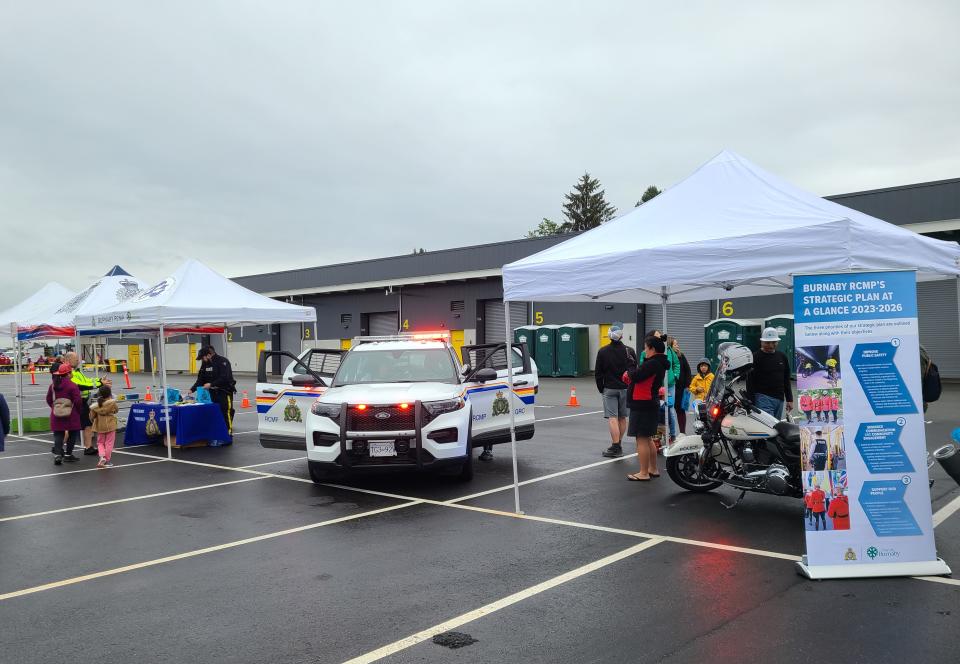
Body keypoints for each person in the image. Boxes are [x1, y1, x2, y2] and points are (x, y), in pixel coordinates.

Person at [624, 336, 669, 481]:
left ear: (652, 349)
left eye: (645, 348)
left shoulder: (653, 363)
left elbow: (635, 376)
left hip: (642, 404)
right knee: (648, 437)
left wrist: (631, 364)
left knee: (641, 438)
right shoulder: (658, 363)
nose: (644, 351)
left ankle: (643, 472)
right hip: (649, 403)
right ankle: (652, 468)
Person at [595, 326, 638, 458]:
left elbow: (598, 373)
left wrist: (601, 388)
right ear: (621, 336)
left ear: (609, 336)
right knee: (622, 417)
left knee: (612, 417)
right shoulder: (629, 351)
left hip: (609, 388)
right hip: (626, 388)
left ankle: (615, 446)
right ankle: (618, 442)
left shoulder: (603, 351)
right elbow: (634, 369)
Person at [64, 351, 111, 455]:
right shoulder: (69, 374)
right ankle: (58, 448)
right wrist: (100, 383)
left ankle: (88, 447)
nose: (78, 361)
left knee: (88, 425)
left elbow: (87, 381)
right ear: (68, 360)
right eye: (76, 359)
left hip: (82, 402)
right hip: (73, 403)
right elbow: (80, 386)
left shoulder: (77, 371)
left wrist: (99, 381)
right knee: (69, 428)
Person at [746, 328, 793, 419]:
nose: (771, 345)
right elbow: (750, 381)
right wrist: (751, 401)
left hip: (780, 399)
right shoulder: (755, 357)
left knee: (776, 426)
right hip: (762, 398)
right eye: (767, 343)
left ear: (777, 342)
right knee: (769, 427)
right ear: (761, 342)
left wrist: (789, 399)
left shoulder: (782, 357)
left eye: (774, 342)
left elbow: (786, 379)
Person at [189, 346, 237, 433]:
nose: (202, 360)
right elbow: (200, 379)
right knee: (213, 413)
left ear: (208, 355)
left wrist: (211, 384)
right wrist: (192, 390)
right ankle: (216, 433)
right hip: (211, 393)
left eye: (203, 358)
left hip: (224, 392)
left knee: (225, 413)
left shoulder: (223, 361)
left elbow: (224, 378)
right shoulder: (205, 364)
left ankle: (227, 435)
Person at [47, 364, 82, 465]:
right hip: (71, 413)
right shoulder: (72, 385)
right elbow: (78, 401)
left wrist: (55, 407)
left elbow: (49, 399)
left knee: (58, 434)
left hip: (56, 413)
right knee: (73, 433)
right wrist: (77, 411)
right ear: (68, 374)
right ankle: (68, 454)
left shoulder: (53, 385)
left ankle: (58, 454)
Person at [90, 384, 119, 468]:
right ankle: (106, 459)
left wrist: (92, 420)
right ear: (109, 394)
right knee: (109, 443)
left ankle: (102, 456)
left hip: (100, 425)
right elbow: (116, 410)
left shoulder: (95, 406)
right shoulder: (112, 403)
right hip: (110, 425)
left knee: (100, 442)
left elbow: (92, 416)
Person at [662, 334, 681, 443]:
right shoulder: (657, 350)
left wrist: (674, 376)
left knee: (670, 408)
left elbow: (676, 364)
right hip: (658, 385)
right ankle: (658, 434)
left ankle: (673, 434)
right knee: (658, 409)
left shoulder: (670, 351)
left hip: (670, 385)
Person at [671, 338, 692, 435]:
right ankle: (671, 434)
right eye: (675, 344)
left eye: (677, 344)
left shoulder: (681, 356)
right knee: (669, 412)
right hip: (670, 388)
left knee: (680, 411)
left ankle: (682, 433)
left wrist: (687, 385)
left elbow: (688, 371)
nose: (677, 346)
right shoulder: (667, 357)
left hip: (681, 389)